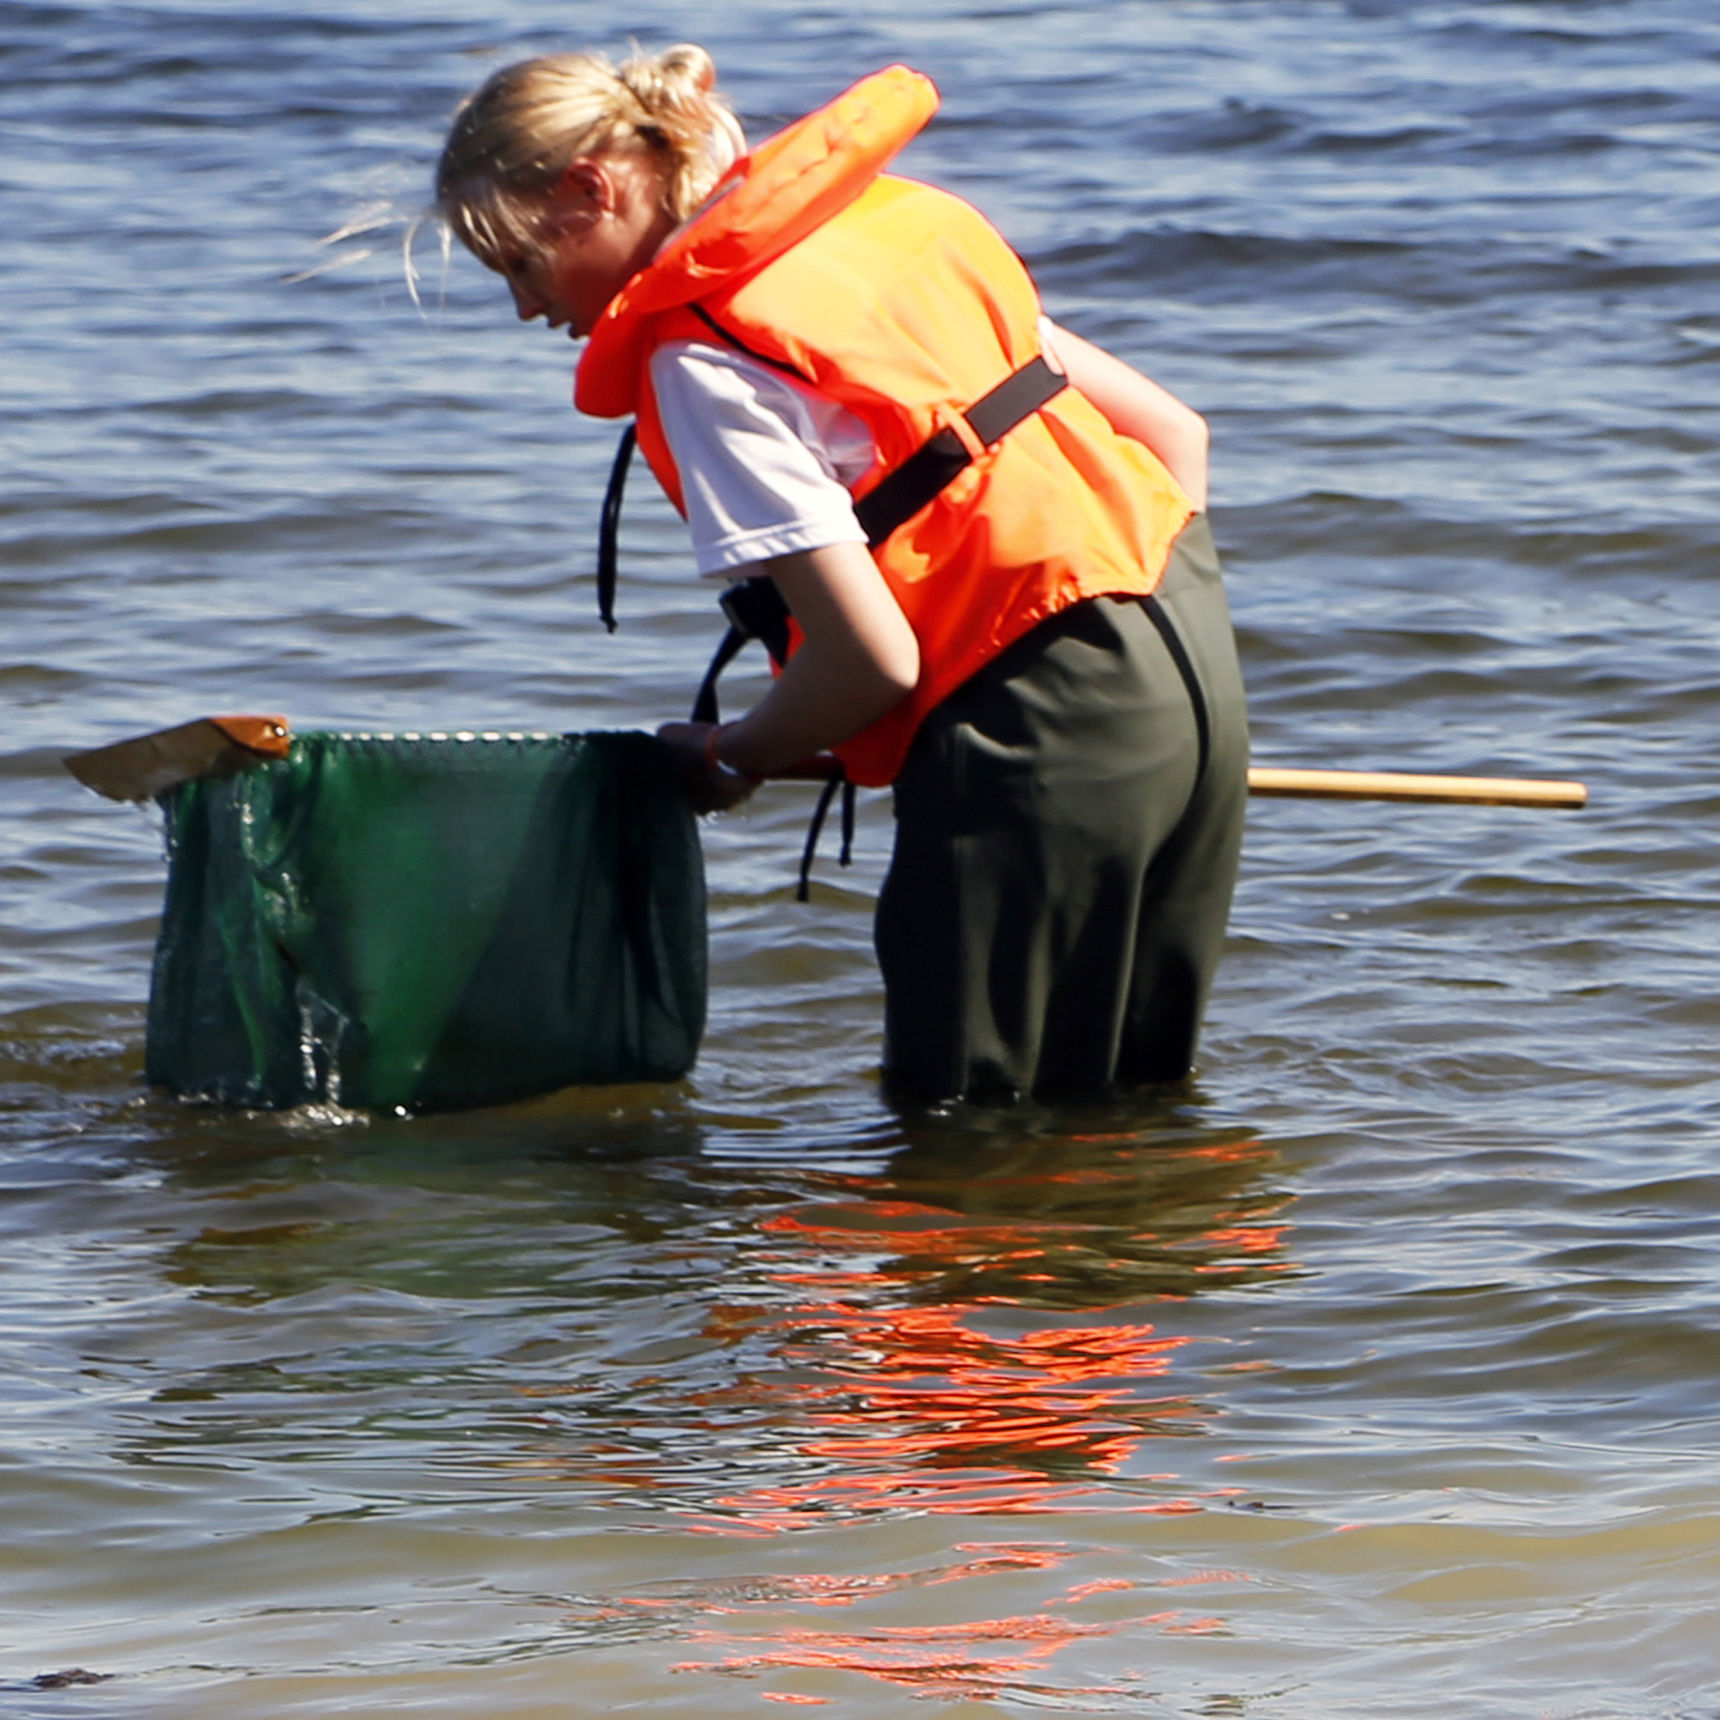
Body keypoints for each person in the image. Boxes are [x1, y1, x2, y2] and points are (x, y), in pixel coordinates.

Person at [432, 45, 1248, 1105]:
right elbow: (1173, 438)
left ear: (593, 190)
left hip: (1033, 725)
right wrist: (1120, 660)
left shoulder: (703, 354)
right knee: (1131, 1104)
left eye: (520, 267)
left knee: (963, 1134)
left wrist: (732, 752)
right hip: (1188, 661)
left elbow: (871, 662)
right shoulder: (892, 223)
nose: (528, 311)